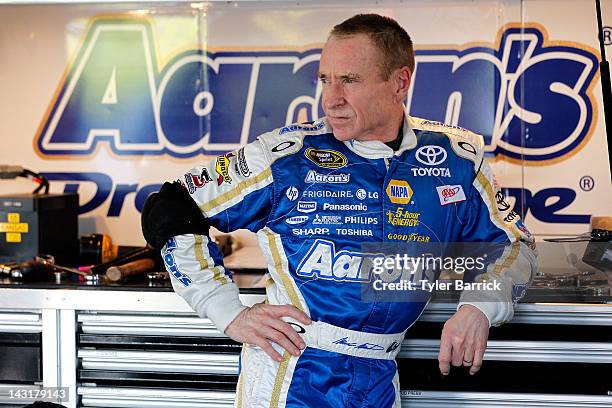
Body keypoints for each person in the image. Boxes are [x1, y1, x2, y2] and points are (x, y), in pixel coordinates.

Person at [142, 13, 536, 408]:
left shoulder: (456, 158)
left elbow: (515, 245)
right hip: (292, 372)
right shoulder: (285, 158)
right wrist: (226, 309)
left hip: (380, 377)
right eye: (325, 80)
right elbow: (171, 206)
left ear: (400, 82)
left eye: (349, 80)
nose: (331, 99)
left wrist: (481, 305)